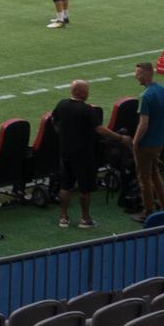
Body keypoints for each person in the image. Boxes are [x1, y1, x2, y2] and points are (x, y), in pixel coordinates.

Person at [116, 61, 164, 221]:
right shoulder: (163, 90)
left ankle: (148, 212)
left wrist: (135, 142)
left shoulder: (146, 96)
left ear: (146, 74)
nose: (136, 76)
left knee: (144, 179)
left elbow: (143, 123)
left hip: (146, 144)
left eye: (138, 73)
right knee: (155, 174)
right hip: (159, 140)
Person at [50, 80, 101, 229]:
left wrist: (62, 134)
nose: (88, 92)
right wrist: (120, 138)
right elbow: (99, 129)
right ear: (81, 92)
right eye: (86, 90)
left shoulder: (62, 104)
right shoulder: (87, 110)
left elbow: (54, 121)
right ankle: (85, 219)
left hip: (66, 152)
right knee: (85, 188)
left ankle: (63, 217)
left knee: (66, 186)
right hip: (83, 154)